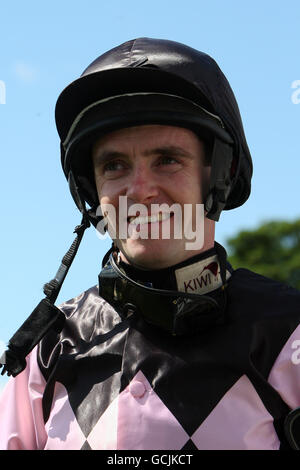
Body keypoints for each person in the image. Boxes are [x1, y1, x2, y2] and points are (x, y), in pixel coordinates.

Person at [0, 37, 300, 451]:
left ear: (217, 177)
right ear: (92, 190)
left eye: (167, 159)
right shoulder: (45, 353)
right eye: (115, 165)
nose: (139, 191)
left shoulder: (288, 333)